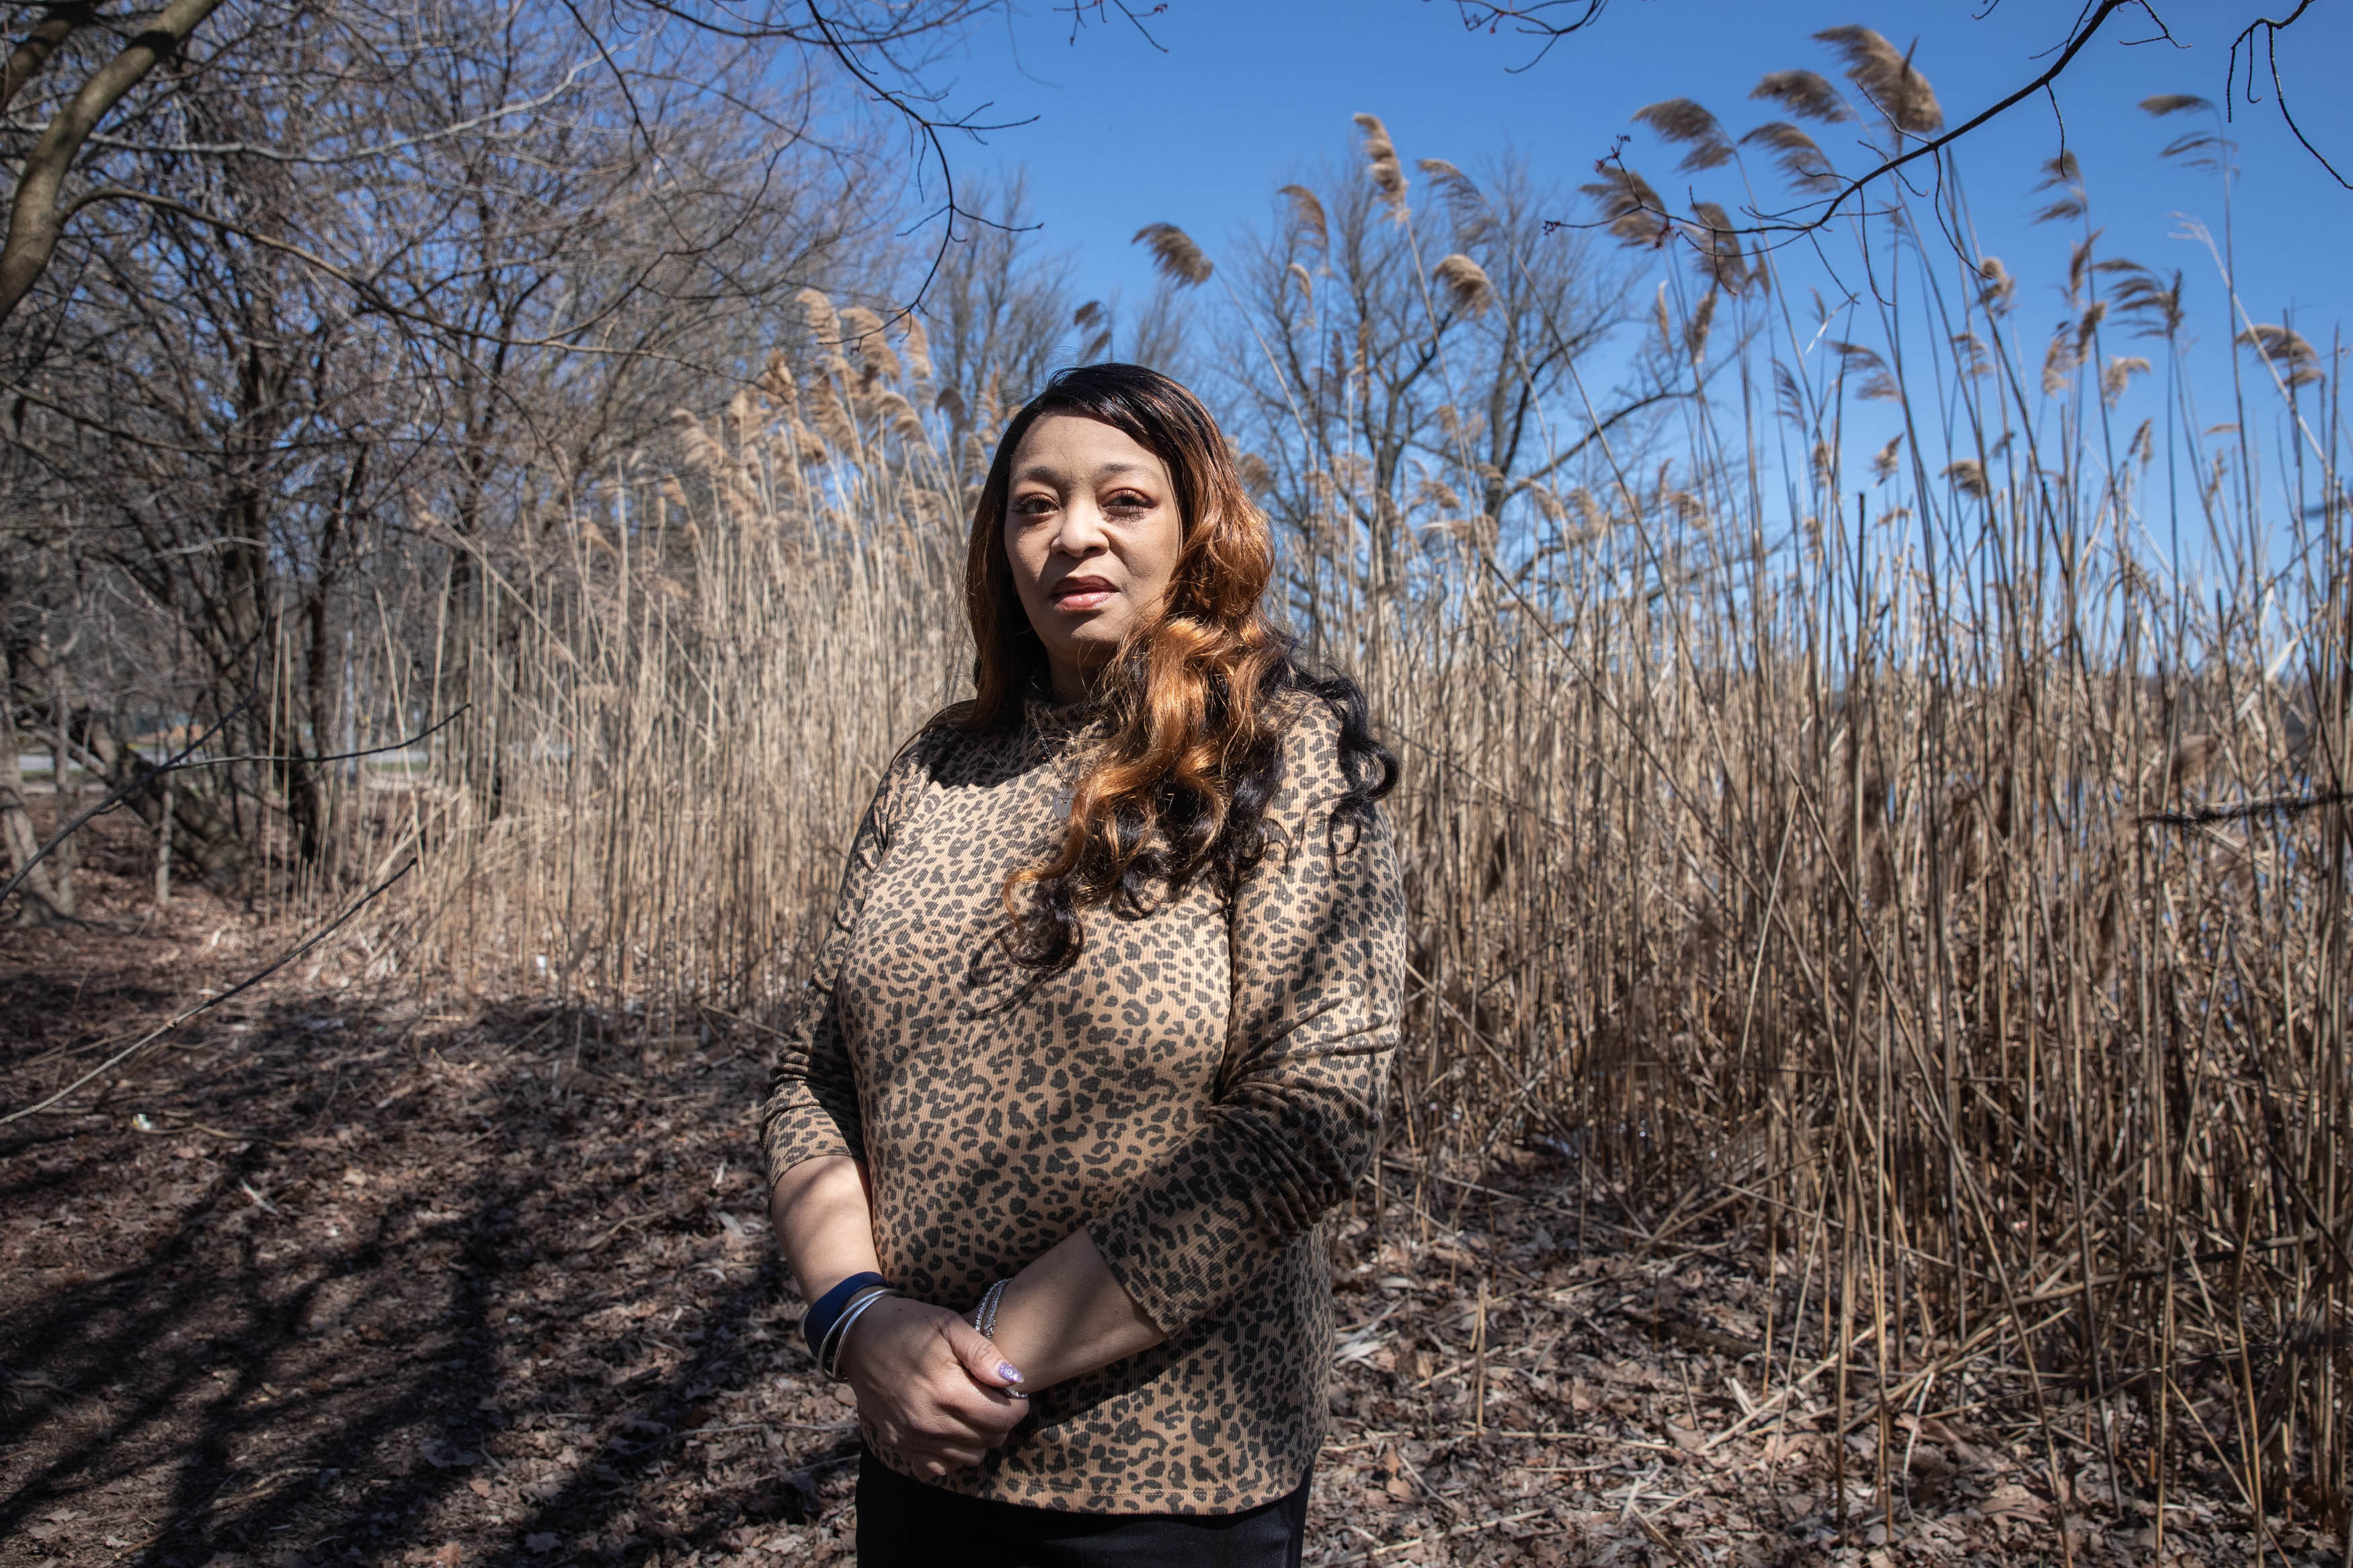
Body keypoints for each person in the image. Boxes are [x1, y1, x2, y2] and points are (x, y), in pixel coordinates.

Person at [760, 362, 1406, 1567]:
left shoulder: (1276, 742)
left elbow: (1316, 1111)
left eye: (1124, 498)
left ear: (1196, 528)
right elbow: (812, 1078)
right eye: (1035, 504)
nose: (1075, 535)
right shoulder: (937, 763)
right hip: (919, 1455)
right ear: (1000, 544)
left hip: (1164, 1486)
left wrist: (985, 1352)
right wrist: (860, 1321)